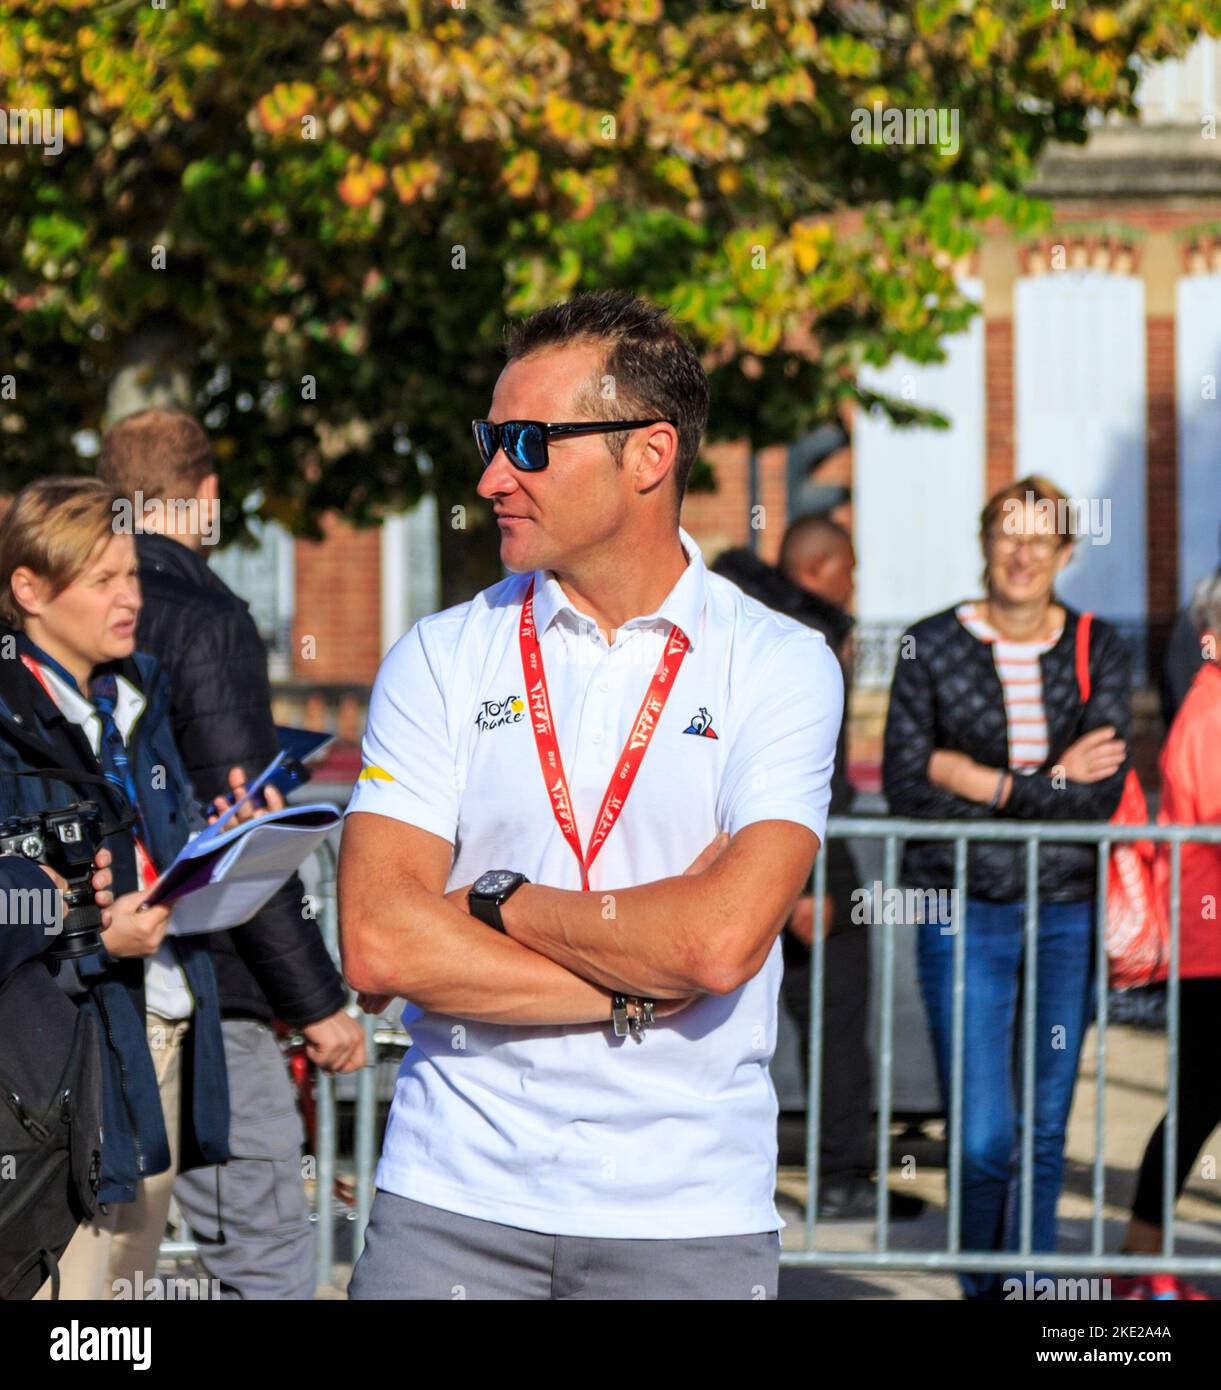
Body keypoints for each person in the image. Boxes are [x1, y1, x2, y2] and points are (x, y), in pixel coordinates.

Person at [339, 289, 843, 1300]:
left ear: (649, 455)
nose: (490, 476)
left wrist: (495, 902)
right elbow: (380, 944)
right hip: (451, 1198)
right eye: (491, 437)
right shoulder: (442, 653)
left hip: (686, 1212)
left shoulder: (779, 660)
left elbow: (722, 942)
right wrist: (639, 979)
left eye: (528, 442)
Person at [98, 408, 365, 1301]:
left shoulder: (73, 604)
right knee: (263, 1251)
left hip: (92, 970)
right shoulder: (206, 619)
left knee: (104, 1260)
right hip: (212, 986)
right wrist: (319, 1003)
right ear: (207, 498)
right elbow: (241, 834)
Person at [0, 477, 263, 1299]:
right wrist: (94, 940)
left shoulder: (135, 698)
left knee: (123, 1315)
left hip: (164, 1032)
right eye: (103, 579)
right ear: (29, 591)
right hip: (62, 1068)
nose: (130, 598)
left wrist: (234, 834)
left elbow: (162, 855)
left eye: (134, 575)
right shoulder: (11, 718)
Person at [882, 474, 1132, 1300]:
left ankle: (1026, 1289)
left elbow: (1096, 795)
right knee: (984, 1134)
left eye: (1040, 538)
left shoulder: (1100, 647)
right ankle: (984, 1288)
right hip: (960, 907)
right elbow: (907, 787)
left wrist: (979, 778)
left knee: (1043, 1130)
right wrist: (1038, 782)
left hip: (1064, 906)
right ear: (985, 543)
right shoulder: (928, 644)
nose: (1021, 554)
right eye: (1007, 534)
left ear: (1065, 552)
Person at [713, 518, 923, 1221]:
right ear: (819, 567)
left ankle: (732, 1171)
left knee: (719, 1016)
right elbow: (808, 774)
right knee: (835, 1017)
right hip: (800, 852)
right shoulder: (808, 637)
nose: (854, 585)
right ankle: (838, 1177)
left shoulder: (731, 616)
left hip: (726, 855)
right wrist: (808, 881)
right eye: (848, 570)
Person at [1115, 572, 1221, 1300]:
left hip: (1206, 938)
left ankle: (1138, 1261)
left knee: (1195, 1107)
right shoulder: (1210, 710)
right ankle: (1138, 1265)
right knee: (1193, 1107)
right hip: (1211, 942)